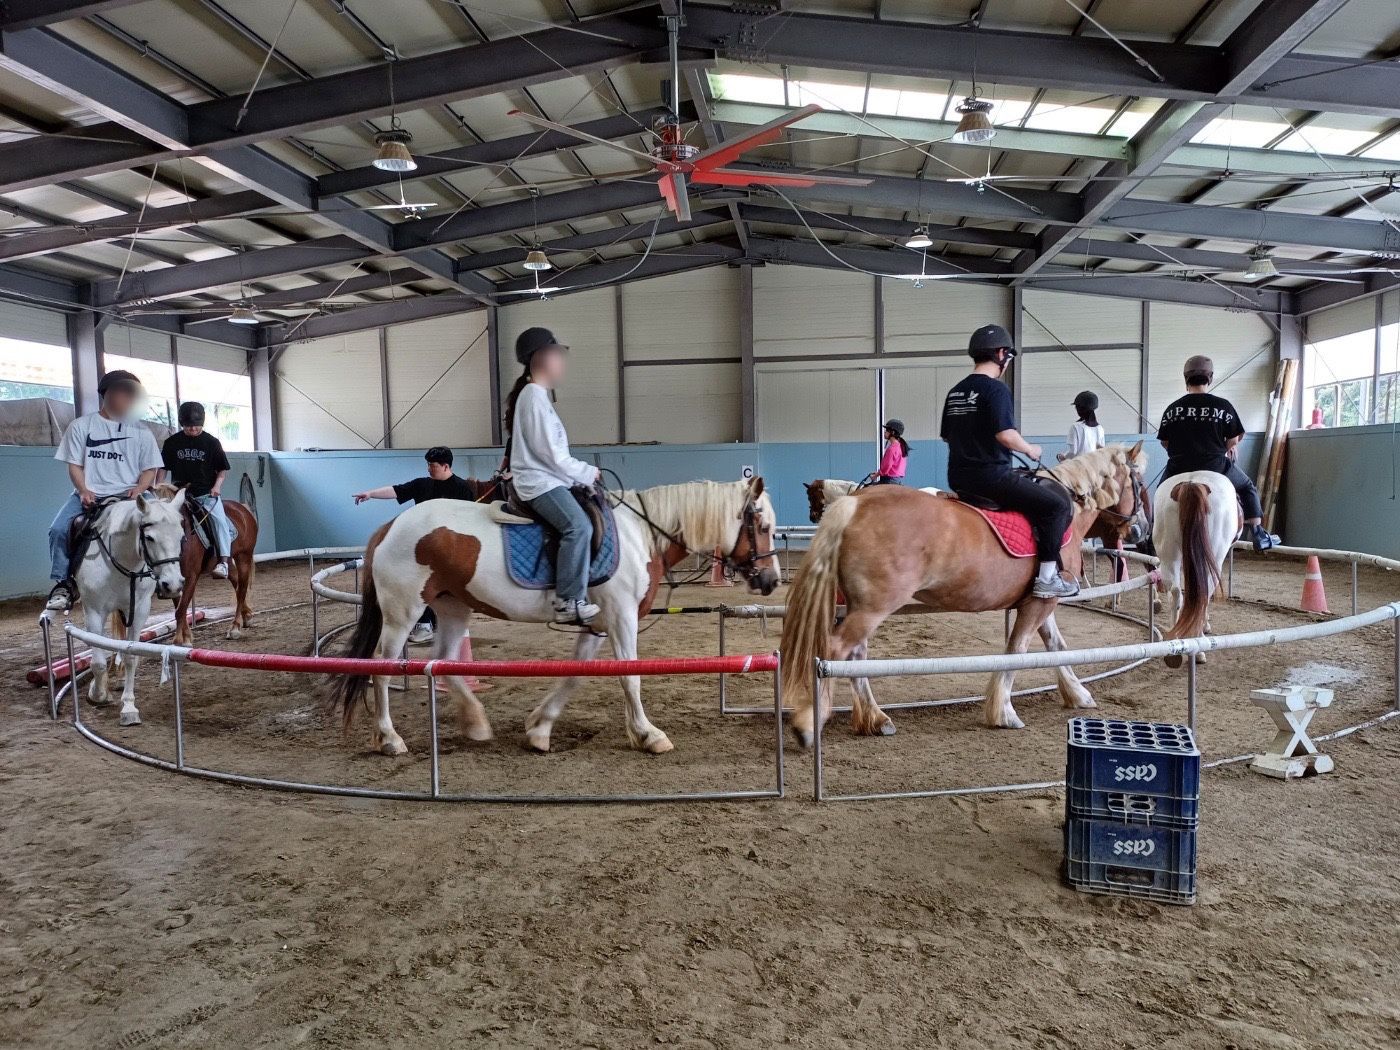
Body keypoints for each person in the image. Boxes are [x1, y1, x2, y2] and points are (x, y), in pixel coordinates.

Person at [940, 323, 1079, 599]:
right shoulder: (996, 390)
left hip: (958, 477)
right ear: (1002, 354)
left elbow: (947, 437)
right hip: (992, 479)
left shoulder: (955, 391)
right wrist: (1030, 449)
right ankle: (1047, 578)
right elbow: (1005, 434)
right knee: (1057, 505)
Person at [504, 326, 602, 625]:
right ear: (540, 358)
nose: (561, 361)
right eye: (556, 354)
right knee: (579, 527)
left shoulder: (539, 396)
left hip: (551, 478)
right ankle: (568, 601)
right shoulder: (533, 396)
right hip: (539, 482)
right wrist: (587, 472)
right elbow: (552, 454)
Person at [45, 369, 163, 611]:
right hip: (92, 494)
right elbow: (75, 466)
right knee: (58, 529)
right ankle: (63, 584)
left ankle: (168, 577)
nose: (131, 400)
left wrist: (140, 488)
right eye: (126, 394)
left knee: (167, 521)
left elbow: (150, 470)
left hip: (132, 494)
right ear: (107, 394)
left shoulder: (142, 432)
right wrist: (83, 490)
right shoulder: (81, 427)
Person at [352, 446, 478, 643]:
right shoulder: (422, 485)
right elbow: (396, 490)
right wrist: (370, 494)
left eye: (432, 465)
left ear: (446, 466)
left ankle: (441, 626)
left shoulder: (462, 489)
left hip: (451, 551)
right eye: (427, 464)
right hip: (426, 551)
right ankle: (424, 624)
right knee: (419, 584)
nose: (429, 468)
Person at [1158, 354, 1278, 551]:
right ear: (1210, 378)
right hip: (1215, 466)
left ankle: (1153, 533)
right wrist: (1229, 446)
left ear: (1186, 379)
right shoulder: (1222, 406)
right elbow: (1233, 439)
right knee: (1248, 487)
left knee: (1160, 498)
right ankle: (1258, 533)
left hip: (1178, 467)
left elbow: (1165, 442)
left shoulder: (1172, 409)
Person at [162, 401, 234, 580]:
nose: (192, 430)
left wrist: (217, 487)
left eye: (196, 426)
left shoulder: (212, 443)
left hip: (204, 494)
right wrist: (159, 486)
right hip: (177, 493)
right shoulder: (172, 442)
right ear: (182, 424)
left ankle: (224, 562)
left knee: (219, 521)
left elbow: (222, 470)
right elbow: (162, 468)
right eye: (188, 427)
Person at [1058, 391, 1105, 461]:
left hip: (1079, 467)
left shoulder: (1075, 427)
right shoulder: (1100, 428)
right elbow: (1102, 450)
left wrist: (1063, 457)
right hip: (1095, 466)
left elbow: (1073, 452)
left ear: (1080, 409)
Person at [873, 419, 908, 484]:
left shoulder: (892, 449)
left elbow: (887, 466)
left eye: (886, 431)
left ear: (893, 432)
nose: (884, 432)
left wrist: (876, 475)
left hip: (889, 481)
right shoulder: (901, 446)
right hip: (897, 480)